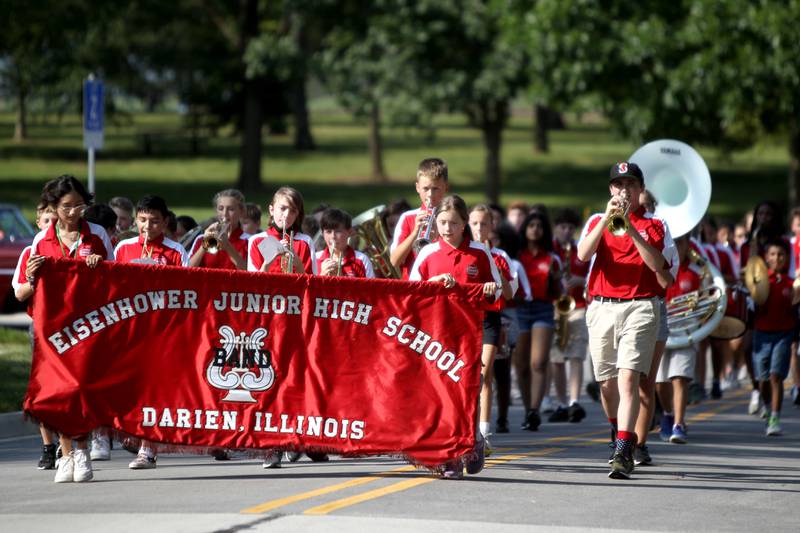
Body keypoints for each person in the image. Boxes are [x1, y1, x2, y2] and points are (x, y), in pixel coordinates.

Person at [577, 162, 676, 479]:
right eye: (619, 185)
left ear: (640, 190)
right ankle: (617, 428)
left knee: (629, 379)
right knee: (606, 386)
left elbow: (657, 264)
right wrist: (608, 218)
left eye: (630, 185)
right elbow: (582, 255)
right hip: (603, 306)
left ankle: (624, 449)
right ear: (610, 190)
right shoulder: (597, 219)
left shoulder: (655, 225)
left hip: (640, 306)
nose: (624, 191)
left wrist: (632, 229)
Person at [14, 175, 114, 483]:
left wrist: (101, 267)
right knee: (57, 393)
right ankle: (66, 453)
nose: (73, 213)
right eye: (66, 206)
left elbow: (117, 280)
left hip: (87, 327)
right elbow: (21, 292)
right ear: (54, 206)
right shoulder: (41, 240)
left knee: (80, 389)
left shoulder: (96, 234)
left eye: (79, 205)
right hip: (52, 330)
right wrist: (32, 277)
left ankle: (82, 451)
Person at [409, 194, 503, 480]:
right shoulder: (427, 254)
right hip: (437, 332)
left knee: (469, 388)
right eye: (442, 222)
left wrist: (488, 289)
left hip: (472, 330)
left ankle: (470, 437)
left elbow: (499, 289)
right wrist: (434, 283)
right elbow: (410, 291)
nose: (447, 228)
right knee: (443, 391)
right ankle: (450, 454)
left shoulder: (479, 253)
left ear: (464, 224)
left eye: (453, 223)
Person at [115, 195, 189, 469]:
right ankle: (131, 433)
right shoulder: (123, 248)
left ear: (165, 222)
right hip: (129, 330)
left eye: (155, 221)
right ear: (136, 220)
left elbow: (184, 293)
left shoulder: (175, 251)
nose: (148, 226)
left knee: (152, 391)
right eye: (143, 220)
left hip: (161, 332)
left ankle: (148, 449)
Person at [12, 203, 59, 470]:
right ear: (38, 223)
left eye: (56, 220)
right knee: (43, 388)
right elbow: (19, 293)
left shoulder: (69, 249)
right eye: (46, 221)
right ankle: (47, 446)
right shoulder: (31, 252)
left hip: (70, 327)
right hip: (41, 326)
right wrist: (34, 277)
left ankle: (71, 447)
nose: (51, 226)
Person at [468, 205, 514, 449]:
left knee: (483, 375)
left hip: (489, 318)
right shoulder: (466, 252)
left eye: (483, 224)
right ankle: (466, 428)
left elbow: (510, 292)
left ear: (491, 226)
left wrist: (493, 266)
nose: (478, 229)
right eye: (474, 224)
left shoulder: (500, 256)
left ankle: (483, 434)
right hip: (465, 319)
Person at [515, 211, 561, 431]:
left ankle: (534, 410)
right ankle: (527, 409)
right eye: (530, 225)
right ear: (524, 229)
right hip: (520, 310)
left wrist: (556, 279)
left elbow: (559, 292)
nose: (535, 229)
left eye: (539, 225)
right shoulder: (516, 256)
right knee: (521, 366)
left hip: (543, 309)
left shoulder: (552, 258)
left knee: (538, 363)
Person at [752, 240, 800, 435]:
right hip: (762, 334)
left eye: (781, 254)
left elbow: (794, 311)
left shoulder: (792, 284)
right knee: (762, 379)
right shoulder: (762, 282)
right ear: (766, 258)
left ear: (786, 258)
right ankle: (766, 404)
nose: (777, 258)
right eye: (772, 254)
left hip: (784, 333)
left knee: (775, 376)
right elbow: (755, 309)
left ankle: (774, 417)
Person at [656, 236, 701, 444]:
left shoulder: (697, 272)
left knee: (679, 377)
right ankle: (667, 413)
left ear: (688, 245)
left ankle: (679, 423)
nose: (677, 246)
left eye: (681, 242)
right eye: (673, 241)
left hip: (686, 331)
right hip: (660, 329)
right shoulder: (657, 269)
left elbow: (708, 298)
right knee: (660, 382)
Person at [549, 208, 590, 424]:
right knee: (556, 357)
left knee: (576, 354)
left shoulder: (580, 251)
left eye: (570, 228)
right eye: (563, 227)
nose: (566, 231)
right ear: (556, 228)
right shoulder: (550, 251)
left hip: (579, 306)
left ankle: (574, 401)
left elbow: (593, 277)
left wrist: (581, 280)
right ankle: (562, 402)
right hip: (555, 306)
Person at [390, 158, 449, 280]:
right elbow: (394, 261)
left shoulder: (453, 218)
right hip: (414, 290)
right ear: (417, 187)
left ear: (445, 188)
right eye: (425, 189)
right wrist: (415, 233)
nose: (430, 195)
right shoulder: (407, 218)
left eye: (435, 189)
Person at [248, 187, 316, 276]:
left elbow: (311, 283)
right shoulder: (256, 240)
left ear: (297, 215)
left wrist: (298, 264)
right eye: (282, 208)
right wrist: (269, 260)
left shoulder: (305, 241)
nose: (287, 215)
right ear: (271, 210)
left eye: (293, 211)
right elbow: (253, 283)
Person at [189, 189, 249, 270]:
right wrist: (205, 245)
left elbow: (248, 272)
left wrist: (227, 245)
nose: (224, 213)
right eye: (221, 208)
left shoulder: (249, 241)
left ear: (241, 212)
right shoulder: (201, 238)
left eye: (231, 209)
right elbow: (187, 270)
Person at [316, 208, 375, 278]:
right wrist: (321, 276)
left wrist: (342, 278)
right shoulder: (315, 258)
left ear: (349, 232)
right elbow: (308, 288)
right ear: (322, 234)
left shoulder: (362, 259)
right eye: (328, 232)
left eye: (338, 231)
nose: (333, 236)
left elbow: (370, 288)